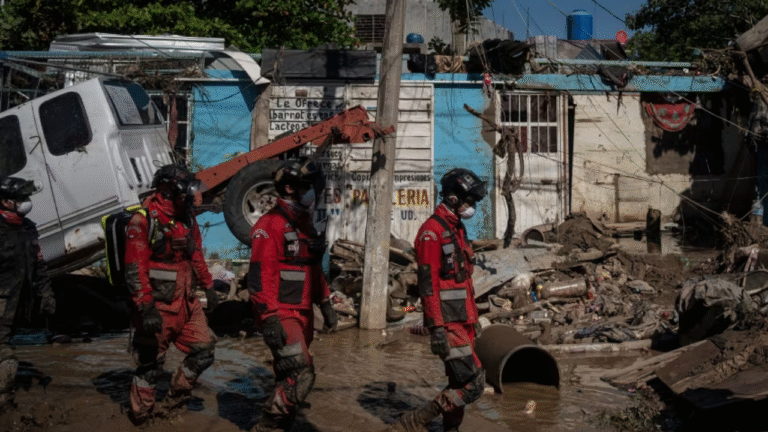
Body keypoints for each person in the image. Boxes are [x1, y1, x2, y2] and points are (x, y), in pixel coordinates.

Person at [388, 168, 487, 432]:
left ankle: (450, 429)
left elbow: (463, 282)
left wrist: (474, 320)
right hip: (447, 322)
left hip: (463, 319)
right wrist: (437, 328)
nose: (473, 207)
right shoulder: (431, 232)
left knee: (459, 383)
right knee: (473, 383)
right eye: (470, 201)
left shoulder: (458, 229)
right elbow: (427, 285)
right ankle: (412, 423)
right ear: (454, 198)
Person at [248, 157, 337, 432]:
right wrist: (269, 316)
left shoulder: (304, 222)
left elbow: (311, 268)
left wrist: (325, 303)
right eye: (307, 186)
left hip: (303, 312)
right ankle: (265, 426)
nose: (314, 193)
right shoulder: (270, 224)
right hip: (281, 313)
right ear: (289, 188)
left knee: (287, 372)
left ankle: (280, 425)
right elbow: (258, 278)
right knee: (301, 374)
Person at [124, 164, 218, 425]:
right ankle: (141, 419)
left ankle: (172, 404)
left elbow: (195, 252)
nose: (190, 196)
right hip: (158, 308)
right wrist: (146, 307)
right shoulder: (143, 220)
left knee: (204, 351)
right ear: (166, 190)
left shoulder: (186, 217)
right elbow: (135, 269)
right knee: (150, 366)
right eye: (184, 190)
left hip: (187, 303)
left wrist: (209, 286)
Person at [0, 176, 56, 412]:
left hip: (16, 305)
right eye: (21, 198)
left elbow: (39, 265)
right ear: (5, 201)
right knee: (6, 359)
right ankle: (5, 405)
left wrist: (46, 294)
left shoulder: (28, 228)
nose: (26, 202)